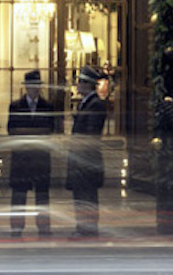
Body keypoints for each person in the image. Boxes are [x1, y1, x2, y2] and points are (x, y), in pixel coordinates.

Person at [7, 70, 55, 237]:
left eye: (37, 86)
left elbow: (51, 130)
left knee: (42, 195)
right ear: (26, 87)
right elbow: (11, 130)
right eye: (31, 86)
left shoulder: (47, 106)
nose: (34, 89)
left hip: (41, 158)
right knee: (19, 195)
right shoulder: (15, 106)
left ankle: (43, 226)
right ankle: (17, 226)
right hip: (22, 158)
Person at [65, 64, 107, 239]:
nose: (78, 85)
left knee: (87, 195)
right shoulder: (87, 104)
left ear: (88, 84)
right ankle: (83, 227)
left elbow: (91, 134)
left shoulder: (95, 104)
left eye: (81, 82)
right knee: (81, 194)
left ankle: (88, 228)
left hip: (86, 159)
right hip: (81, 158)